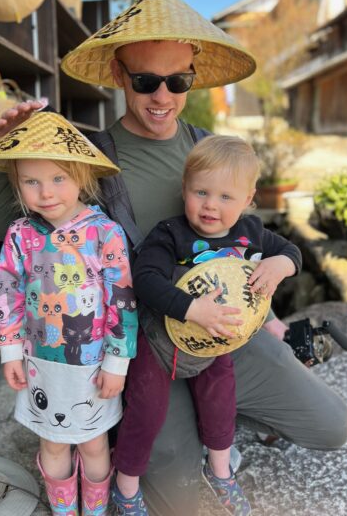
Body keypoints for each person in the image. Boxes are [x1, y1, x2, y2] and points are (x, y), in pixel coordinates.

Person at [0, 0, 347, 516]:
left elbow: (244, 239)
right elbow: (17, 233)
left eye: (177, 80)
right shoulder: (91, 160)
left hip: (225, 332)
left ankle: (221, 420)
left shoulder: (207, 147)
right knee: (174, 500)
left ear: (192, 76)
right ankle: (152, 430)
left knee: (332, 427)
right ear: (119, 74)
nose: (162, 96)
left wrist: (269, 309)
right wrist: (9, 152)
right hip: (150, 347)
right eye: (145, 80)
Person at [111, 135, 302, 516]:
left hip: (215, 342)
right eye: (201, 192)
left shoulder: (250, 232)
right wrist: (191, 308)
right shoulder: (170, 233)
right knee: (146, 411)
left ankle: (220, 471)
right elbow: (144, 279)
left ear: (248, 199)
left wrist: (281, 265)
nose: (211, 205)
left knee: (220, 402)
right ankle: (125, 487)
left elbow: (291, 251)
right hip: (161, 342)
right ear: (184, 190)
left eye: (226, 197)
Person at [0, 112, 138, 515]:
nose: (46, 193)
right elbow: (9, 293)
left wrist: (117, 363)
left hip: (93, 363)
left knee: (95, 442)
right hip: (40, 362)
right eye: (31, 181)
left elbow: (122, 300)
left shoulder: (105, 233)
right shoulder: (20, 235)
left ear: (82, 176)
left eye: (58, 178)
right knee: (52, 441)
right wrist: (10, 352)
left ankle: (95, 510)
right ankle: (64, 509)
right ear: (17, 183)